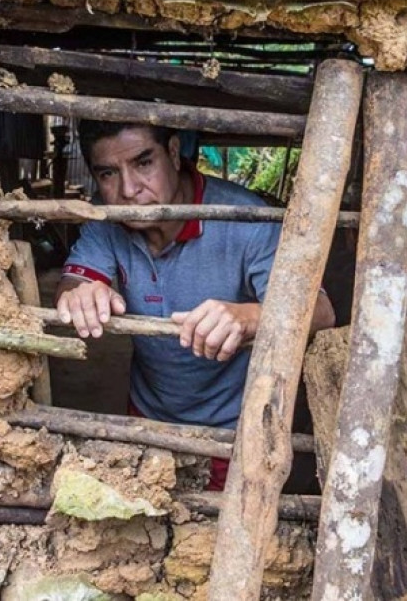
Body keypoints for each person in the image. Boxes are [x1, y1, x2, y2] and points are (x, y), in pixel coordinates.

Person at [55, 121, 336, 489]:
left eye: (143, 163)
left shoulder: (246, 220)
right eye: (108, 173)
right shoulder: (105, 217)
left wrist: (251, 315)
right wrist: (80, 293)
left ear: (174, 152)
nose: (128, 189)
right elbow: (73, 282)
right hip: (148, 416)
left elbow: (322, 311)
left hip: (233, 428)